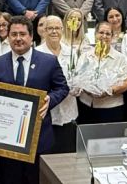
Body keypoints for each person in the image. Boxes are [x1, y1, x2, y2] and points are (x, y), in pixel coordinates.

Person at [0, 16, 69, 184]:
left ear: (31, 36)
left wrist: (50, 99)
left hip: (39, 137)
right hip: (7, 139)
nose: (18, 38)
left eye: (22, 34)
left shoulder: (49, 61)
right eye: (14, 34)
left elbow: (62, 88)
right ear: (8, 37)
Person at [35, 15, 79, 153]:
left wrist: (78, 87)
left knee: (67, 156)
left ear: (62, 30)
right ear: (44, 31)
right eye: (50, 28)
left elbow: (78, 76)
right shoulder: (37, 53)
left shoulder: (71, 52)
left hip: (68, 113)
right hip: (46, 116)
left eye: (57, 28)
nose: (54, 31)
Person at [76, 22, 127, 124]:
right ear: (95, 34)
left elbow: (126, 83)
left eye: (108, 34)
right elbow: (78, 77)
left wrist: (109, 91)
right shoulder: (85, 56)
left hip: (112, 108)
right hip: (87, 106)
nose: (104, 36)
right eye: (101, 33)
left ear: (112, 37)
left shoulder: (120, 58)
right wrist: (88, 89)